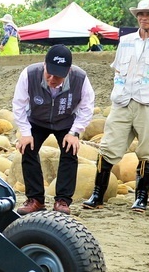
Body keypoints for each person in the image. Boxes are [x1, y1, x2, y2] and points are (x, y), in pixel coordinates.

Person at [82, 0, 149, 213]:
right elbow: (117, 70)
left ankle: (141, 198)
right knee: (107, 147)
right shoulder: (125, 41)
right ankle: (98, 194)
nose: (144, 17)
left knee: (148, 152)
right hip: (123, 103)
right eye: (141, 13)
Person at [12, 45, 95, 216]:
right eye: (49, 73)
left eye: (58, 75)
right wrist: (25, 134)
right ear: (44, 64)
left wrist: (75, 132)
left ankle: (62, 200)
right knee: (27, 149)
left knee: (70, 151)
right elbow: (18, 105)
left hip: (65, 120)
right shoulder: (29, 74)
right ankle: (35, 199)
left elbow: (87, 107)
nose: (51, 78)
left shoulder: (80, 78)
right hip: (36, 119)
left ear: (68, 71)